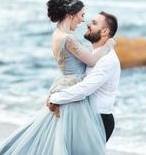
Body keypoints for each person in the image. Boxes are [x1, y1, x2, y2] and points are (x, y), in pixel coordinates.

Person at [0, 0, 114, 155]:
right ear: (71, 15)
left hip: (64, 82)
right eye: (82, 15)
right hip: (74, 86)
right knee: (75, 139)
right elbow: (92, 61)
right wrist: (108, 45)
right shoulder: (68, 39)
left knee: (56, 133)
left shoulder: (56, 34)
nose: (82, 20)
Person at [48, 11, 121, 142]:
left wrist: (56, 97)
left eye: (94, 23)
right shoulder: (93, 53)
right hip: (87, 116)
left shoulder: (108, 60)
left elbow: (85, 88)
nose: (88, 25)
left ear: (104, 31)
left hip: (100, 119)